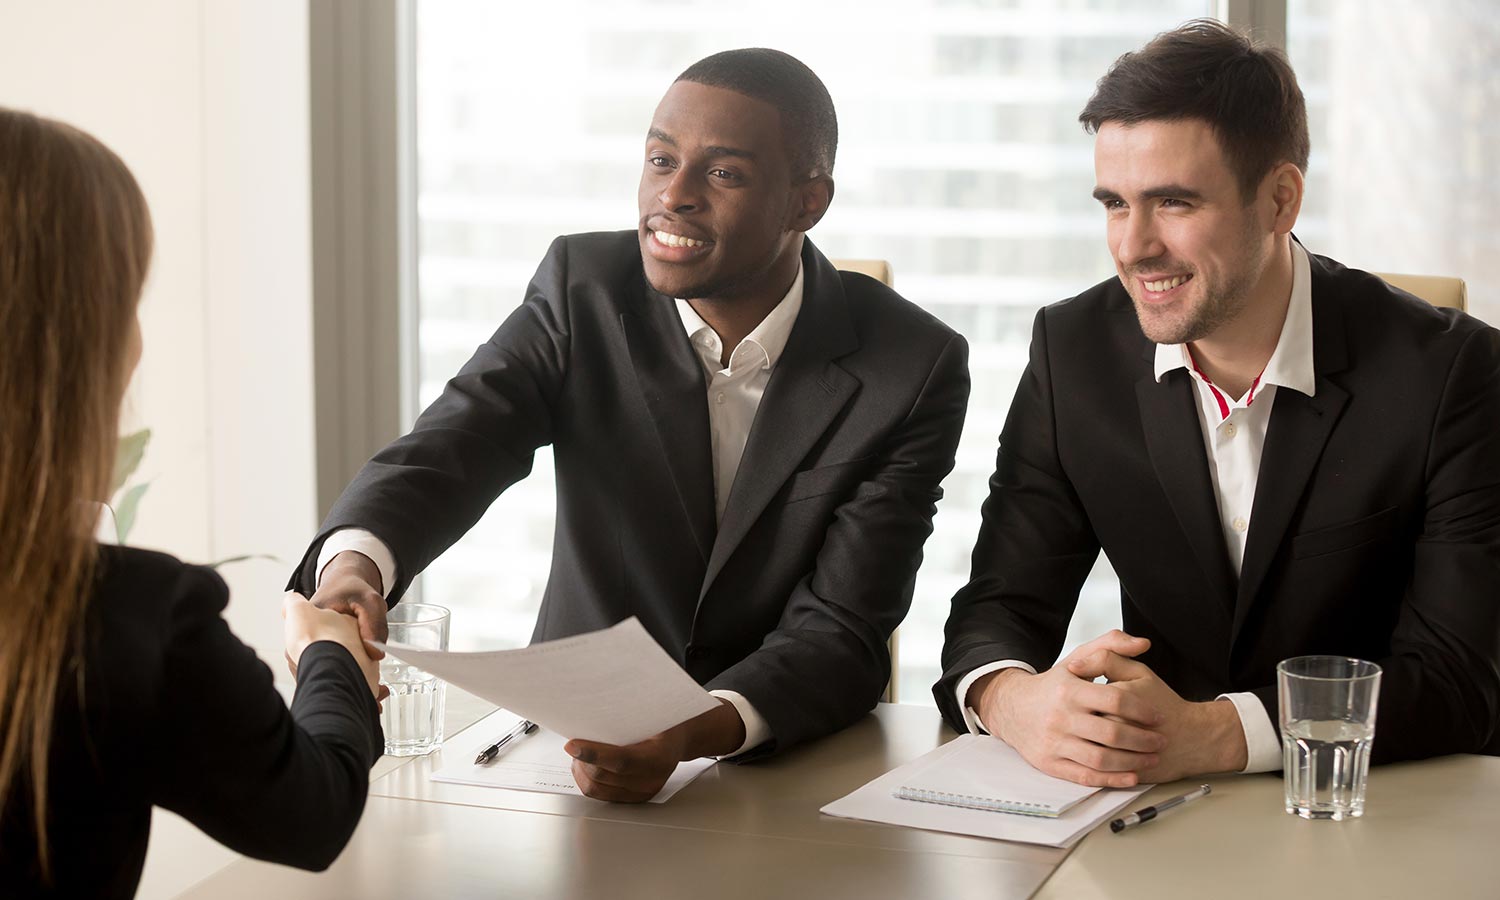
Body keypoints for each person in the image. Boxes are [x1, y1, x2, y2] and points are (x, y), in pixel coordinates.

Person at [292, 48, 970, 801]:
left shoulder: (913, 365)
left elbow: (842, 627)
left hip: (786, 762)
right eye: (659, 159)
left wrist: (696, 729)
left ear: (806, 204)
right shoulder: (581, 290)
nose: (672, 195)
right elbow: (459, 442)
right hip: (559, 751)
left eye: (722, 173)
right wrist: (356, 565)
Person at [936, 19, 1500, 788]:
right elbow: (998, 607)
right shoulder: (1071, 353)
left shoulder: (1455, 373)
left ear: (1279, 200)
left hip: (1385, 805)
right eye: (1113, 203)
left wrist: (1216, 733)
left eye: (1173, 203)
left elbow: (1460, 681)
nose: (1133, 247)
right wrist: (1014, 700)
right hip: (1162, 813)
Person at [0, 108, 385, 898]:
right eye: (129, 300)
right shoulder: (123, 619)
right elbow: (310, 813)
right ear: (80, 343)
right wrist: (330, 657)